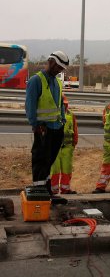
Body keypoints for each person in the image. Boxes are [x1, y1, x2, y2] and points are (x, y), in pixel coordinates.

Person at [25, 51, 69, 196]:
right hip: (43, 129)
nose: (59, 71)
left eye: (61, 69)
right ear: (50, 62)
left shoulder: (57, 82)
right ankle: (39, 192)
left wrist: (63, 120)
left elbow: (60, 104)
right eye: (58, 67)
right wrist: (36, 125)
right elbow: (30, 105)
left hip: (57, 128)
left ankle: (46, 191)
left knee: (49, 161)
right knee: (40, 161)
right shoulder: (36, 80)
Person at [50, 94, 78, 194]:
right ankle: (53, 190)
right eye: (62, 104)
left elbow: (75, 130)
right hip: (55, 147)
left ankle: (65, 189)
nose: (64, 106)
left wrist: (74, 143)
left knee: (67, 169)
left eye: (65, 104)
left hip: (67, 147)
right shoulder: (53, 114)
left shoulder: (71, 115)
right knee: (55, 169)